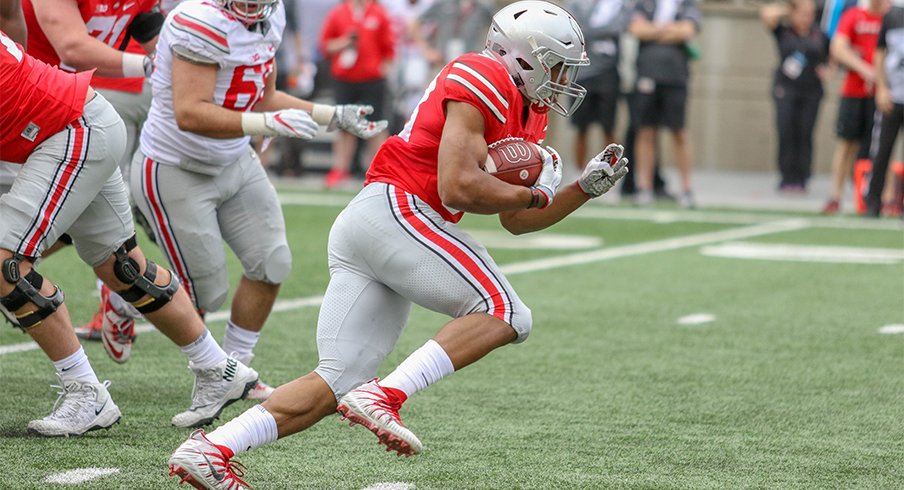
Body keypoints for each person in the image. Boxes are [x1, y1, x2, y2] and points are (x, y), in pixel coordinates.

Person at [165, 2, 628, 488]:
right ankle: (385, 396)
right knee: (506, 312)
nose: (561, 79)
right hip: (400, 209)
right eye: (556, 65)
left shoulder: (527, 111)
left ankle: (211, 450)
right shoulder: (483, 72)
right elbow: (456, 188)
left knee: (335, 382)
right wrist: (534, 190)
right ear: (525, 56)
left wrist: (580, 190)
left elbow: (514, 219)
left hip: (376, 223)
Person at [0, 29, 262, 437]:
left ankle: (85, 392)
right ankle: (218, 367)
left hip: (72, 132)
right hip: (85, 122)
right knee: (123, 266)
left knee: (4, 263)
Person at [132, 0, 387, 406]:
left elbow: (263, 97)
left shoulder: (273, 15)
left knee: (272, 262)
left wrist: (331, 115)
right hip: (177, 165)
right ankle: (123, 298)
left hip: (235, 159)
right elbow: (189, 112)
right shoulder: (198, 20)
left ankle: (235, 369)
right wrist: (267, 126)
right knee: (206, 292)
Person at [20, 0, 163, 354]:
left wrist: (173, 63)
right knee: (84, 211)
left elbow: (149, 25)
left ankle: (213, 366)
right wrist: (153, 64)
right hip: (51, 95)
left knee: (99, 213)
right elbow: (71, 46)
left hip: (93, 94)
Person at [628, 0, 701, 208]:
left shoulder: (686, 4)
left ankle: (686, 189)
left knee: (679, 133)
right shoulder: (645, 3)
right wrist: (669, 29)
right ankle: (644, 187)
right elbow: (636, 29)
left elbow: (687, 31)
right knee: (645, 132)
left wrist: (654, 29)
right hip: (647, 74)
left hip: (676, 77)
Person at [821, 0, 889, 213]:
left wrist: (880, 77)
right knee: (846, 143)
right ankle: (836, 196)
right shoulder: (853, 15)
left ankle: (881, 198)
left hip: (882, 94)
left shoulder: (892, 18)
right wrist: (865, 70)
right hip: (854, 91)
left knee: (881, 148)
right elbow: (838, 47)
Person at [319, 0, 394, 188]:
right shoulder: (338, 13)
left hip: (372, 79)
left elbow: (389, 48)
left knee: (375, 124)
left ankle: (379, 171)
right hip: (345, 78)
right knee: (344, 125)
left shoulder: (378, 13)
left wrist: (383, 69)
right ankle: (340, 168)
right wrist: (344, 43)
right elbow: (325, 46)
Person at [761, 0, 829, 191]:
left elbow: (830, 57)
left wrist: (828, 71)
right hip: (786, 89)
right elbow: (767, 14)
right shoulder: (784, 31)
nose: (806, 17)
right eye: (802, 13)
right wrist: (789, 8)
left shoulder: (819, 34)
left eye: (809, 13)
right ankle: (786, 176)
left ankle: (803, 176)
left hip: (812, 90)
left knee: (805, 132)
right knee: (786, 130)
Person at [567, 0, 630, 170]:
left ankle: (609, 173)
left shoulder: (618, 4)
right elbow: (573, 27)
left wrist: (589, 32)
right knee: (581, 128)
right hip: (581, 73)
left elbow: (617, 26)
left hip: (608, 74)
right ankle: (579, 174)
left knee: (609, 128)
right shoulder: (576, 3)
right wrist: (597, 31)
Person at [865, 2, 904, 217]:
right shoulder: (893, 15)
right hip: (892, 96)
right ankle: (873, 201)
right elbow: (879, 52)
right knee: (881, 151)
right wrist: (881, 87)